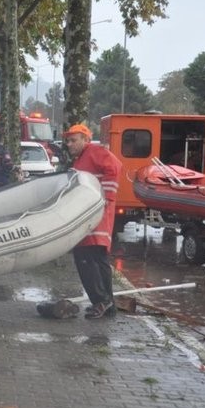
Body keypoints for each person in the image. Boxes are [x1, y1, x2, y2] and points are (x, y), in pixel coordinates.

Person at [63, 123, 122, 319]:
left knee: (86, 257)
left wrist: (105, 198)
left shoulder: (94, 152)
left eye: (73, 140)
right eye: (68, 141)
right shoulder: (81, 159)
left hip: (96, 215)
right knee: (98, 259)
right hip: (93, 214)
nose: (69, 144)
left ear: (85, 140)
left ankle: (101, 301)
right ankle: (107, 304)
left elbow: (114, 168)